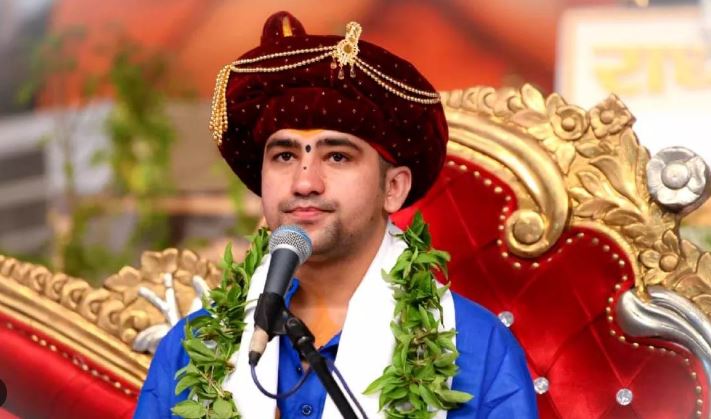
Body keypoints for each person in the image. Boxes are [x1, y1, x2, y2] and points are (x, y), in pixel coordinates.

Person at [135, 11, 537, 419]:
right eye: (285, 156)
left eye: (338, 156)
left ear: (393, 188)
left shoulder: (476, 351)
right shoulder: (194, 349)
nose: (305, 182)